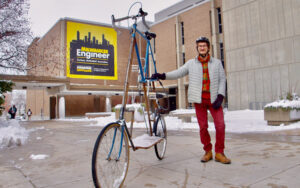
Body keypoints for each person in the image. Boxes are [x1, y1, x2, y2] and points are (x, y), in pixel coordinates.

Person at [151, 36, 230, 164]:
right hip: (199, 101)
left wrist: (220, 96)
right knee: (203, 127)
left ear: (208, 47)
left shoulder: (217, 63)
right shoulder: (191, 63)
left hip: (214, 100)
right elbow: (178, 73)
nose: (202, 48)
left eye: (204, 45)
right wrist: (163, 75)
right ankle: (208, 151)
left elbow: (222, 79)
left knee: (220, 125)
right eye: (200, 46)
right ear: (197, 48)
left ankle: (220, 153)